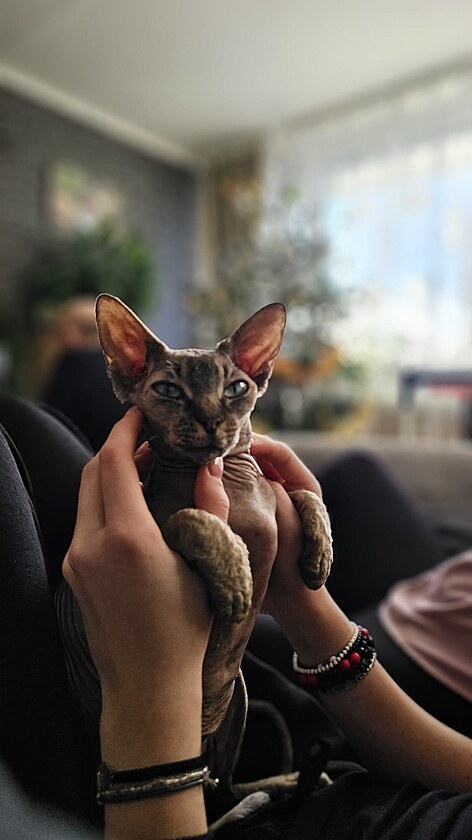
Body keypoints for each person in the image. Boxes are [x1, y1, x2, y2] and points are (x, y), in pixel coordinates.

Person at [1, 398, 472, 838]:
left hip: (163, 753)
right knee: (26, 426)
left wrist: (151, 689)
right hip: (329, 743)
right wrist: (304, 602)